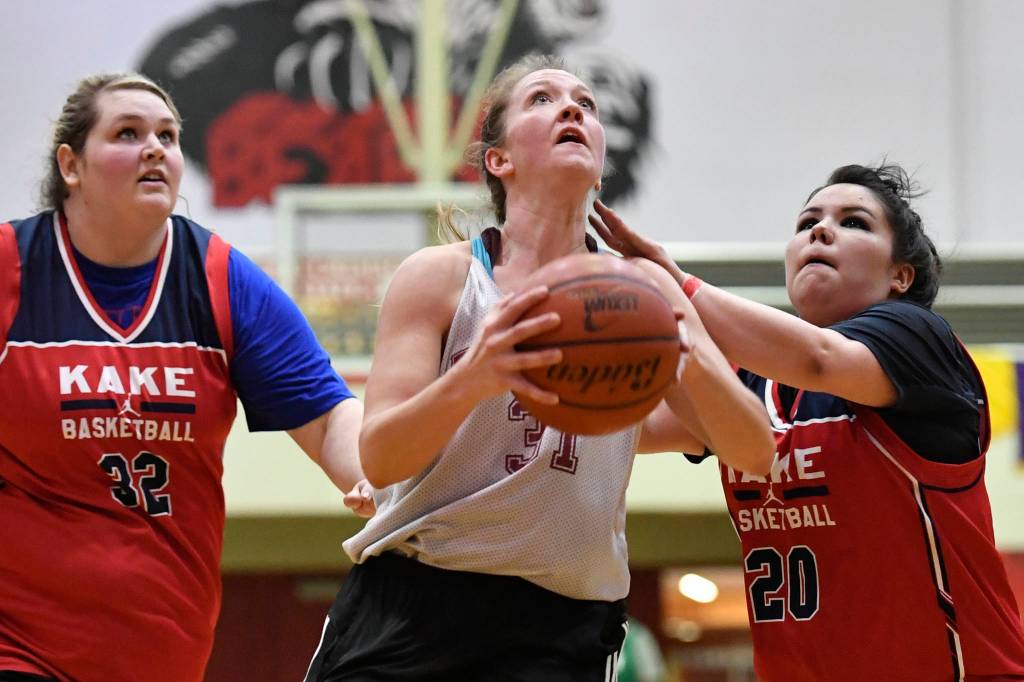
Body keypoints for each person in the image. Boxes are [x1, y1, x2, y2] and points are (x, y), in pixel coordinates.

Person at [302, 54, 774, 682]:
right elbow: (382, 457)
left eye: (587, 104)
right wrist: (479, 372)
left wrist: (677, 346)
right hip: (413, 607)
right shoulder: (443, 278)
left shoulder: (645, 295)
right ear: (500, 160)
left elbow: (754, 448)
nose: (574, 108)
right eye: (543, 100)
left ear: (602, 167)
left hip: (562, 630)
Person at [0, 73, 372, 682]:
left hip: (162, 651)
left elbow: (329, 414)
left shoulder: (222, 279)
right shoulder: (11, 267)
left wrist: (374, 480)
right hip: (19, 643)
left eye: (168, 137)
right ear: (71, 164)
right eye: (128, 133)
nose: (156, 148)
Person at [590, 163, 1024, 680]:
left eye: (855, 222)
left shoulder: (921, 340)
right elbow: (622, 426)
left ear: (899, 276)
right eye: (807, 223)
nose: (820, 230)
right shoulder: (749, 383)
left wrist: (673, 283)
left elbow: (818, 359)